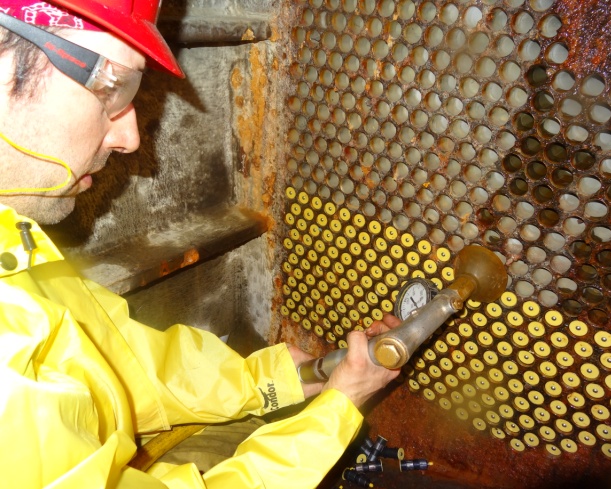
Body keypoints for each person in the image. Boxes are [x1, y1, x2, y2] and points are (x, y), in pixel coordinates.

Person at [0, 1, 400, 488]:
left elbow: (126, 365)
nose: (130, 136)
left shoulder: (16, 252)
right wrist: (334, 414)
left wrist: (272, 382)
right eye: (110, 86)